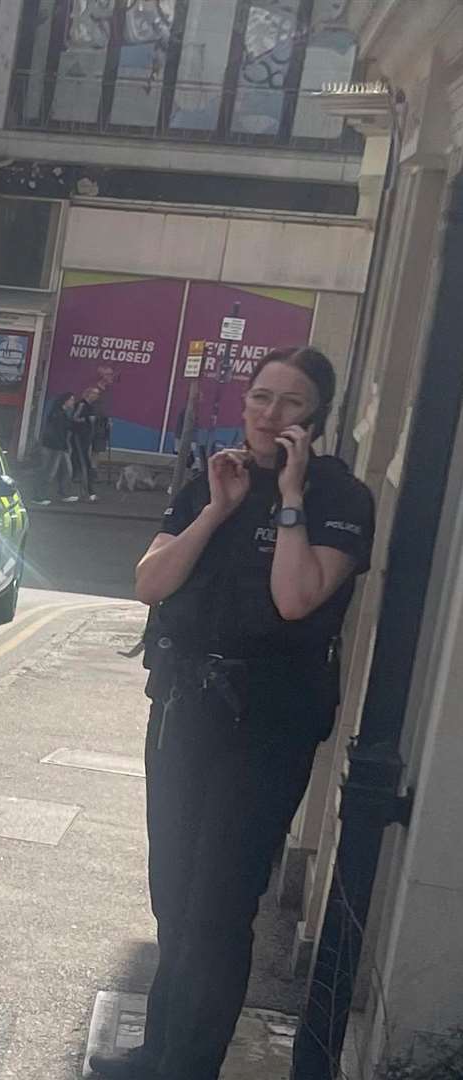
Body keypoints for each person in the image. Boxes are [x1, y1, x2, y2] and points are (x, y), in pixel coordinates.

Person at [93, 348, 375, 1080]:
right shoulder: (208, 482)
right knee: (174, 896)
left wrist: (289, 495)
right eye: (259, 396)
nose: (268, 413)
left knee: (218, 905)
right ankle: (160, 1052)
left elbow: (295, 599)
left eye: (289, 402)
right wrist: (217, 510)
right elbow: (151, 582)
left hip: (269, 725)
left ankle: (185, 1067)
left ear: (316, 419)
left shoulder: (341, 499)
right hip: (186, 712)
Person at [36, 392, 76, 505]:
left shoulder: (62, 413)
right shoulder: (58, 414)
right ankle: (39, 496)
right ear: (66, 401)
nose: (73, 402)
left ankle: (63, 492)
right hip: (54, 447)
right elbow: (58, 431)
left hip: (60, 447)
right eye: (71, 400)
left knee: (67, 470)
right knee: (48, 471)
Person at [66, 386, 101, 503]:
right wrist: (86, 420)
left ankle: (76, 490)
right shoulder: (82, 405)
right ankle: (89, 492)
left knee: (77, 464)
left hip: (85, 439)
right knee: (84, 464)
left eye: (97, 394)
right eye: (94, 393)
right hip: (79, 438)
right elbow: (74, 418)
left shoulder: (91, 406)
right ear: (88, 393)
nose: (96, 396)